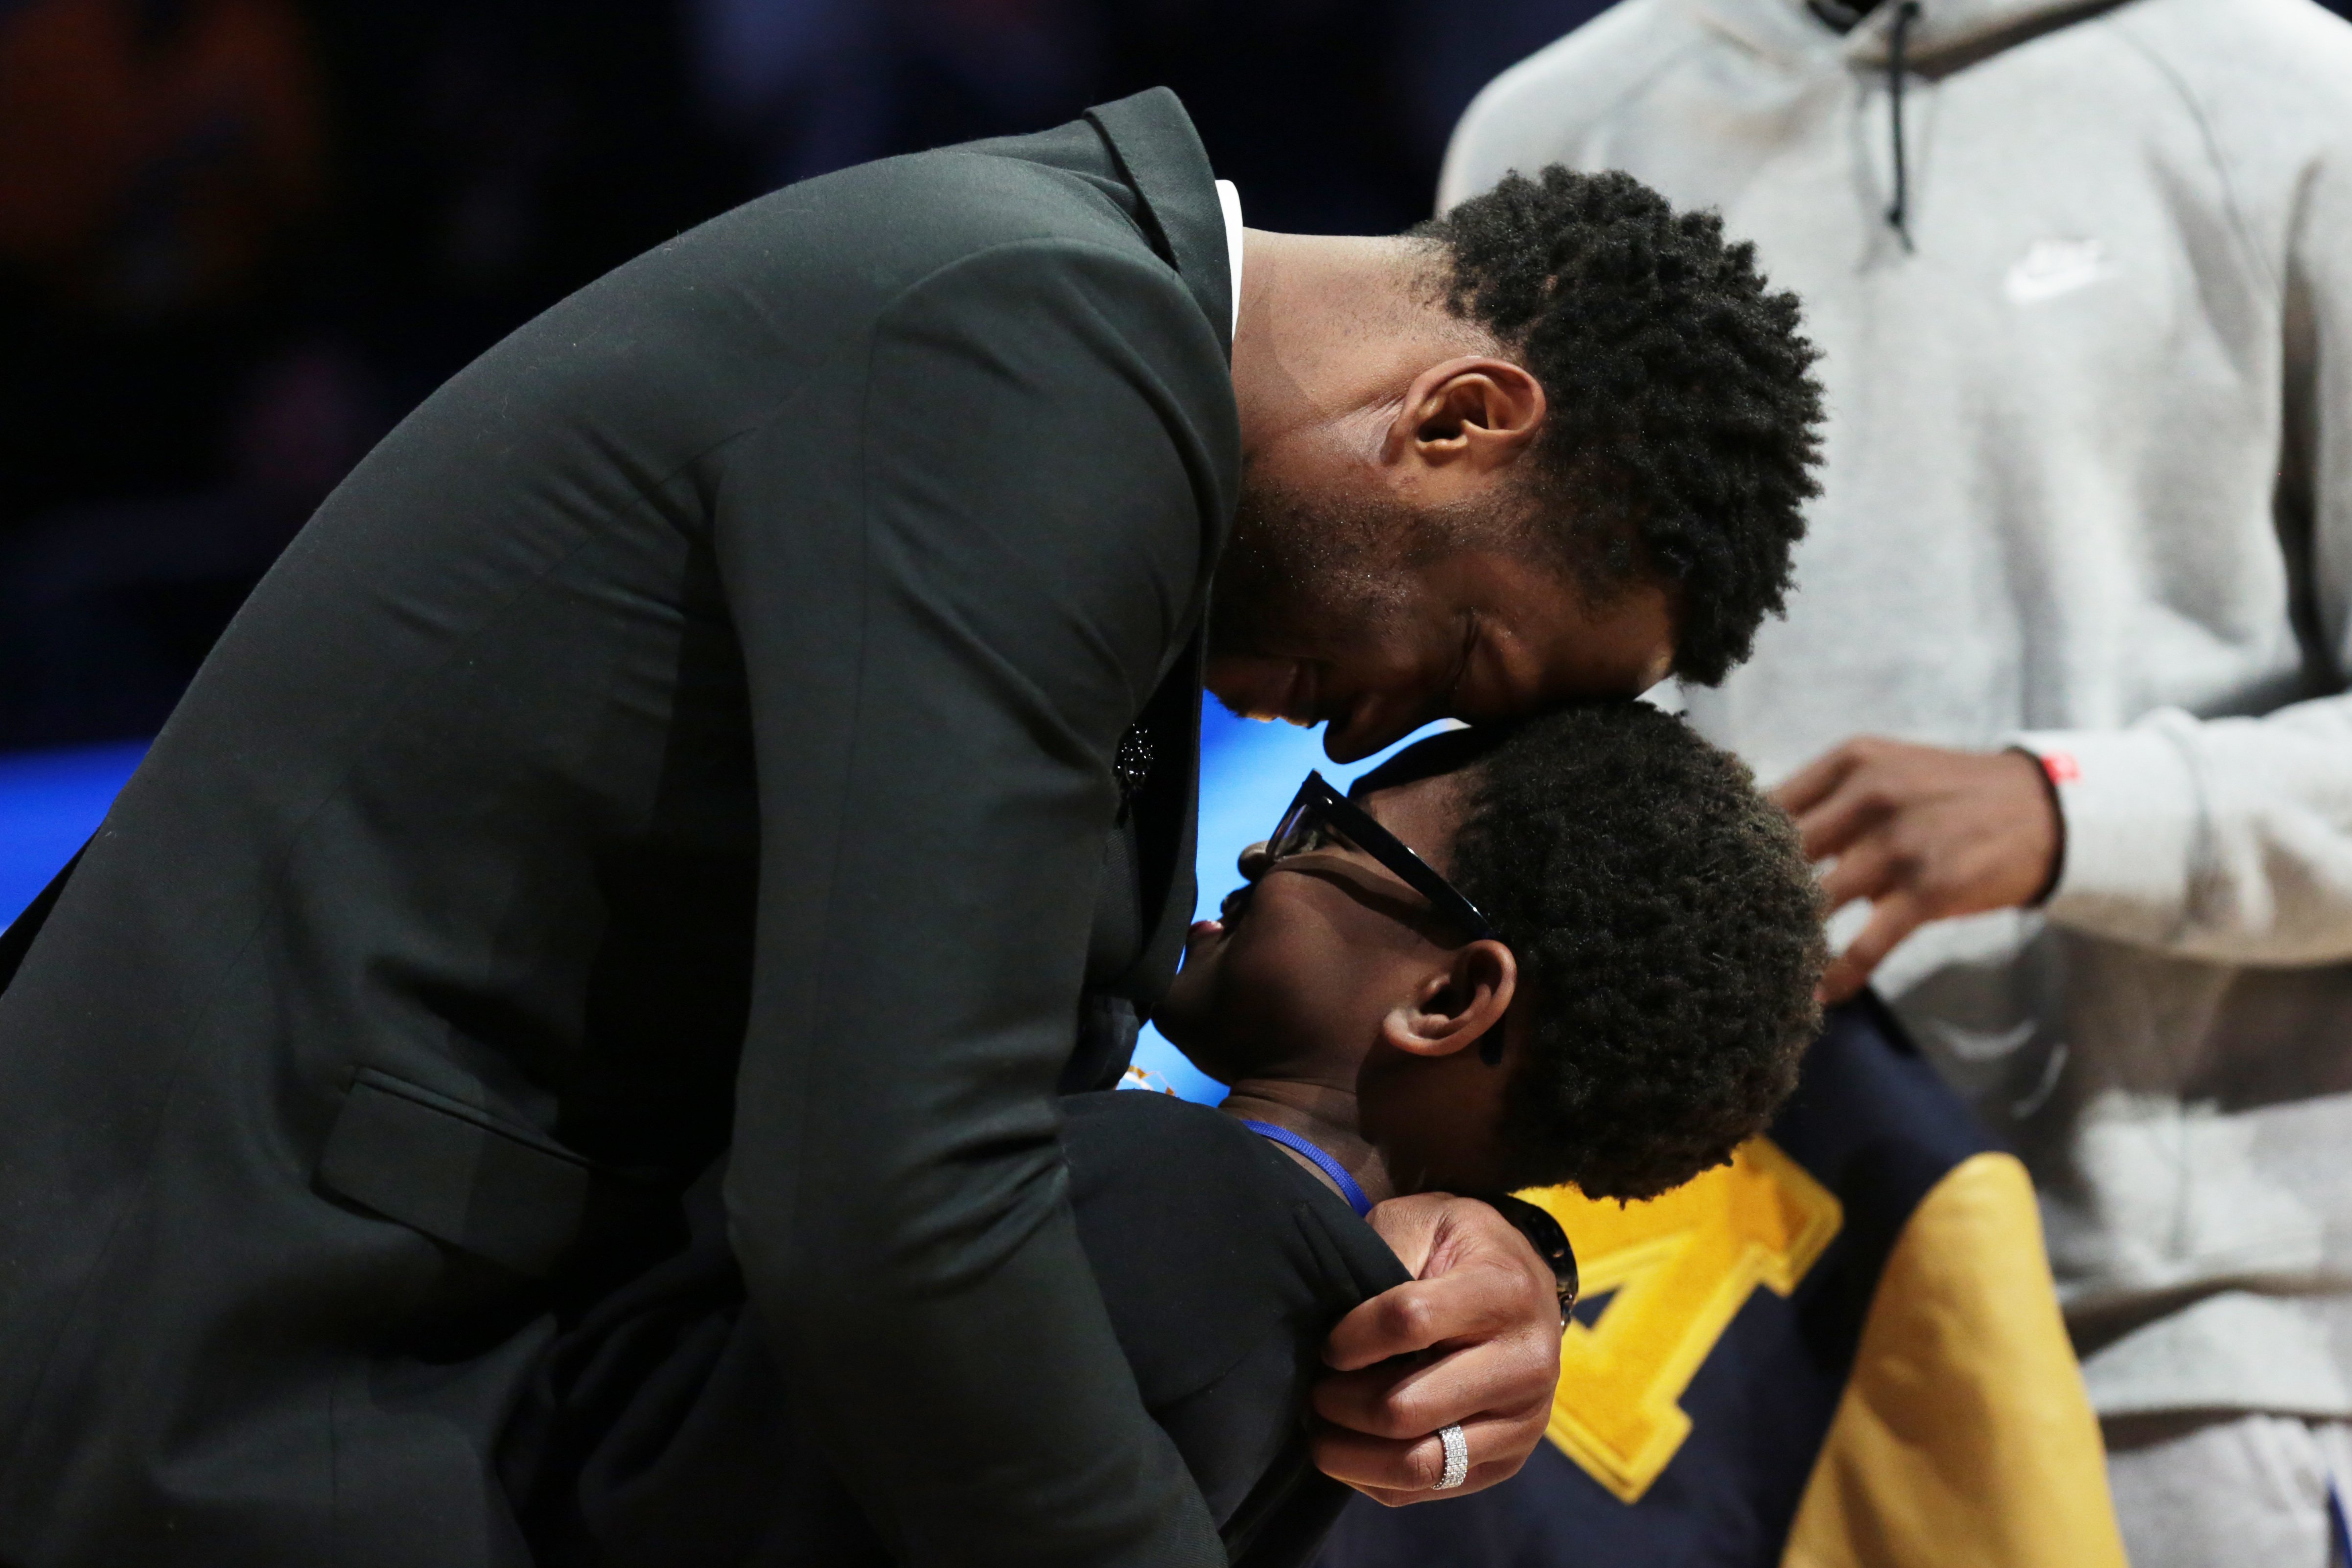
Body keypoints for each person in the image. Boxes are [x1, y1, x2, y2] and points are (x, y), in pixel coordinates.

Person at [0, 88, 1824, 1566]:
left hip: (389, 1352)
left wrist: (1482, 1246)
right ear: (1457, 418)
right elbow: (898, 1199)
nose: (1372, 724)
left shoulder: (1093, 415)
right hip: (234, 1357)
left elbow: (1014, 1142)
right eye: (1462, 652)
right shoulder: (1034, 347)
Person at [1438, 0, 2352, 1562]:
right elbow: (1473, 714)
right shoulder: (1560, 121)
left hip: (2175, 1347)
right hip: (1680, 1350)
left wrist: (2073, 807)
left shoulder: (2292, 93)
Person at [507, 704, 1829, 1567]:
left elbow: (670, 1485)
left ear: (1447, 999)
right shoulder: (1297, 1307)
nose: (1262, 854)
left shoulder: (1178, 1206)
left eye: (1332, 829)